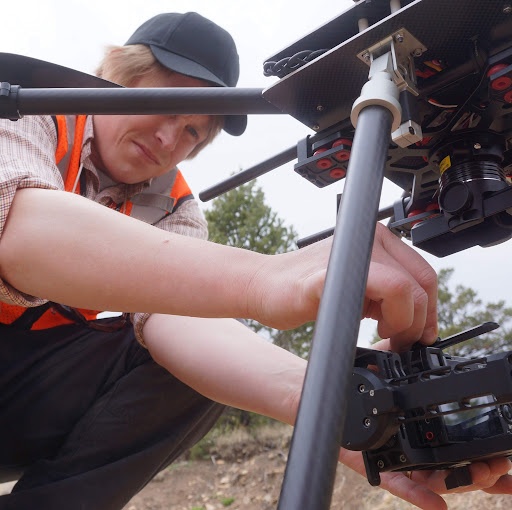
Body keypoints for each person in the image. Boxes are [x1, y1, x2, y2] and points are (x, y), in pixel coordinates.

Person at [0, 11, 508, 510]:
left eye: (193, 132)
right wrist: (266, 277)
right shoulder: (27, 108)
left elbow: (180, 321)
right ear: (115, 74)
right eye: (167, 106)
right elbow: (18, 233)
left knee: (190, 360)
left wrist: (333, 402)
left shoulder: (174, 208)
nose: (170, 140)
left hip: (22, 400)